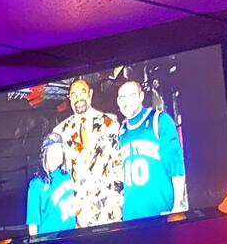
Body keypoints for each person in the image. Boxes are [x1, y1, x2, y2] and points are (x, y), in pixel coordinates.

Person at [52, 78, 124, 228]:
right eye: (74, 95)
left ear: (90, 94)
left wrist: (119, 202)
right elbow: (59, 174)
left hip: (110, 208)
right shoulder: (60, 132)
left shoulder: (110, 123)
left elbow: (118, 163)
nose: (78, 98)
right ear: (70, 99)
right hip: (80, 213)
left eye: (82, 92)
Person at [115, 80, 186, 220]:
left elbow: (177, 165)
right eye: (122, 97)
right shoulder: (122, 130)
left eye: (132, 95)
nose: (126, 101)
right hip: (131, 219)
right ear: (118, 101)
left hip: (160, 213)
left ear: (141, 96)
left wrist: (178, 205)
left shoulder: (160, 120)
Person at [25, 132, 77, 236]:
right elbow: (33, 224)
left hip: (72, 238)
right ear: (45, 153)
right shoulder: (37, 184)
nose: (57, 153)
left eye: (59, 149)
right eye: (53, 150)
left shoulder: (68, 175)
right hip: (50, 243)